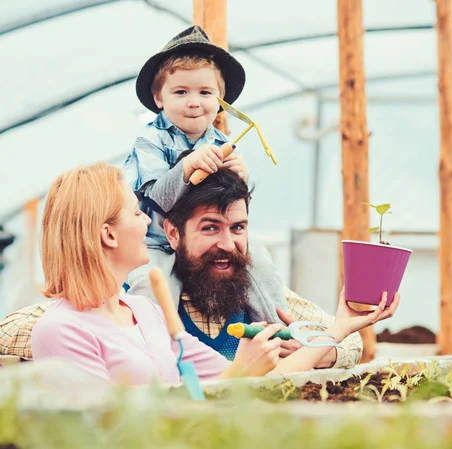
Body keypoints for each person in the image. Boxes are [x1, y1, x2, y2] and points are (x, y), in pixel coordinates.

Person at [31, 163, 399, 386]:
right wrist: (241, 373)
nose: (147, 222)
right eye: (137, 213)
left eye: (238, 228)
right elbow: (105, 434)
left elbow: (258, 379)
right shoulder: (61, 330)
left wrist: (339, 328)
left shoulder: (146, 313)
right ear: (108, 234)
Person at [122, 25, 288, 331]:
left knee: (260, 260)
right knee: (150, 282)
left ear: (220, 98)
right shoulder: (150, 141)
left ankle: (279, 331)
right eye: (181, 92)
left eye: (205, 92)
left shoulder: (221, 140)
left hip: (201, 241)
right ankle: (152, 348)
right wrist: (186, 168)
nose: (194, 102)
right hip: (156, 242)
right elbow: (158, 198)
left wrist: (238, 179)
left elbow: (226, 204)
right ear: (159, 97)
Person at [126, 166, 363, 368]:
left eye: (238, 228)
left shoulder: (261, 294)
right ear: (173, 233)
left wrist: (311, 352)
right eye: (210, 228)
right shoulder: (139, 304)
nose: (228, 245)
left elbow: (352, 341)